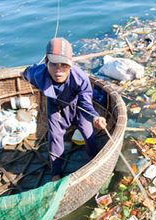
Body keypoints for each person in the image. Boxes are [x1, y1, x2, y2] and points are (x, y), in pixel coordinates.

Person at [22, 37, 107, 180]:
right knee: (55, 138)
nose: (58, 71)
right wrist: (23, 75)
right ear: (46, 62)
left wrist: (95, 117)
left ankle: (94, 158)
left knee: (88, 133)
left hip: (78, 106)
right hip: (55, 107)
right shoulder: (37, 74)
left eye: (64, 65)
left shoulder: (80, 78)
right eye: (54, 64)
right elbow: (26, 73)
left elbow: (86, 103)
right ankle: (56, 172)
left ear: (70, 65)